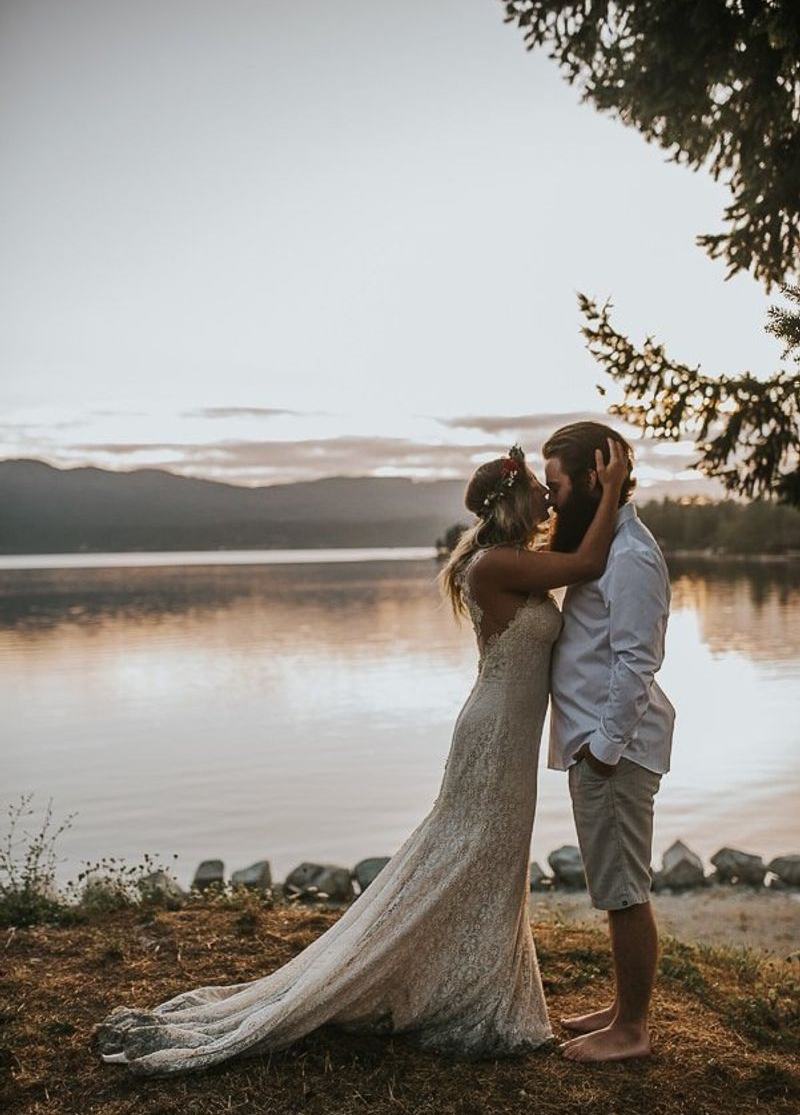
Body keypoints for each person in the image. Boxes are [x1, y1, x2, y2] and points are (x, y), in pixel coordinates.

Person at [92, 440, 628, 1077]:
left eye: (552, 487)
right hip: (492, 739)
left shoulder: (508, 559)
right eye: (537, 489)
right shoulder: (493, 566)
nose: (547, 495)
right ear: (512, 499)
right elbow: (590, 561)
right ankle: (463, 992)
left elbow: (577, 561)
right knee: (470, 856)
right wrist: (614, 487)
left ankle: (478, 987)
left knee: (486, 862)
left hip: (507, 735)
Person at [543, 421, 676, 1063]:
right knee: (614, 885)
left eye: (557, 486)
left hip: (613, 753)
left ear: (594, 479)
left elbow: (635, 663)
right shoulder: (609, 545)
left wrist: (603, 748)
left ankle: (633, 1031)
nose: (551, 500)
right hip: (598, 746)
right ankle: (623, 1009)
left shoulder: (632, 556)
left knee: (625, 891)